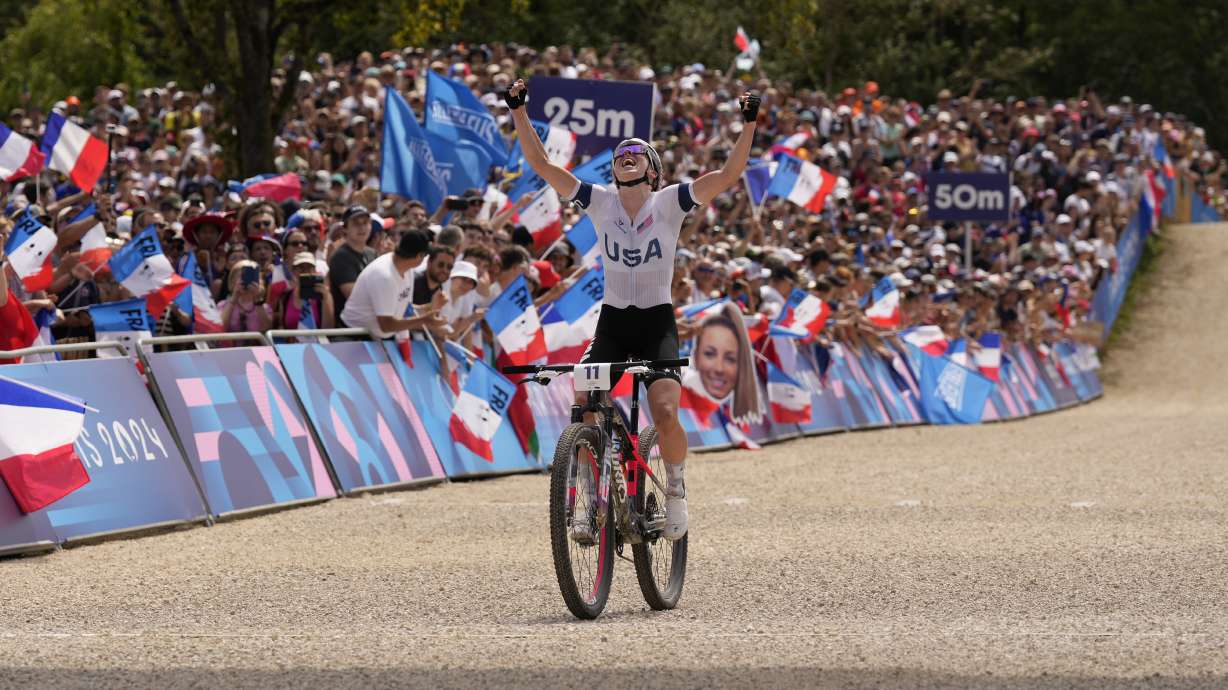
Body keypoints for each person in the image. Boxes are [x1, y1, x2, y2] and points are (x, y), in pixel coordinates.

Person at [506, 77, 761, 541]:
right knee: (583, 403)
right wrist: (519, 111)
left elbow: (726, 177)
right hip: (614, 322)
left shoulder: (670, 203)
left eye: (636, 151)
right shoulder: (599, 202)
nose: (626, 152)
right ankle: (587, 496)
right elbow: (542, 164)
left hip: (655, 322)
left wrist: (748, 125)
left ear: (652, 169)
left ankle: (677, 490)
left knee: (665, 411)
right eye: (620, 151)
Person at [339, 229, 446, 339]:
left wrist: (430, 306)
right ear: (419, 256)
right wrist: (424, 320)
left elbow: (406, 310)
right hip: (354, 337)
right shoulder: (385, 276)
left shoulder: (407, 269)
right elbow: (386, 325)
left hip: (376, 339)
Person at [328, 205, 377, 321]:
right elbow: (356, 297)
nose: (362, 228)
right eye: (356, 223)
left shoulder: (372, 253)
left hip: (372, 323)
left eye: (365, 222)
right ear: (345, 229)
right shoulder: (341, 257)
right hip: (349, 330)